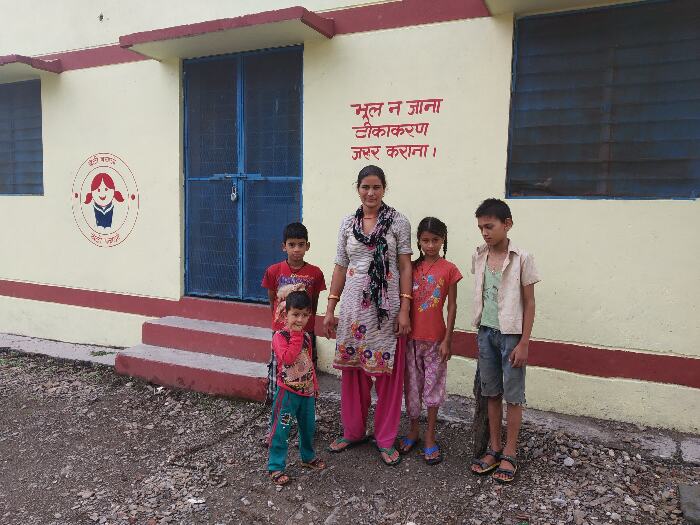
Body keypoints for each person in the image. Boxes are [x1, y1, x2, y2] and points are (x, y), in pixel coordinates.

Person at [323, 165, 413, 466]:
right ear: (357, 188)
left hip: (386, 311)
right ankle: (353, 431)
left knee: (387, 375)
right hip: (352, 310)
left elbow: (404, 268)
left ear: (384, 188)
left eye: (376, 187)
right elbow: (339, 266)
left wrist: (405, 310)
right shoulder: (348, 223)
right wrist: (330, 308)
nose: (371, 193)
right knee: (353, 373)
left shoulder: (398, 222)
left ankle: (386, 439)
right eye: (365, 187)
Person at [469, 199, 540, 483]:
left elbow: (530, 302)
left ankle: (510, 452)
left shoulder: (522, 257)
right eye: (480, 227)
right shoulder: (479, 255)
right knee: (491, 393)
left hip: (511, 335)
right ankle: (494, 448)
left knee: (513, 395)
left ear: (507, 224)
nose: (485, 232)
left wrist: (524, 342)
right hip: (486, 332)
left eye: (490, 226)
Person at [398, 217, 462, 465]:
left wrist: (448, 340)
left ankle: (430, 437)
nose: (430, 245)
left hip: (436, 340)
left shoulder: (450, 269)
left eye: (435, 240)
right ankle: (413, 430)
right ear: (419, 241)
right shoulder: (411, 268)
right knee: (412, 388)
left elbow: (452, 306)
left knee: (433, 390)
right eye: (425, 240)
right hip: (411, 339)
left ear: (443, 240)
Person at [262, 223, 326, 405]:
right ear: (284, 246)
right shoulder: (273, 271)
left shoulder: (315, 273)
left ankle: (305, 405)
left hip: (306, 332)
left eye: (301, 244)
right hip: (281, 331)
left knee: (305, 366)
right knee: (279, 366)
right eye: (292, 244)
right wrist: (279, 323)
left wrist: (307, 323)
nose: (296, 249)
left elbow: (313, 302)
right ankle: (277, 404)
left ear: (308, 246)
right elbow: (272, 299)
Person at [268, 291, 326, 486]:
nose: (299, 319)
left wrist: (315, 385)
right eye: (295, 315)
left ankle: (307, 457)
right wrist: (295, 335)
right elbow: (288, 358)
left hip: (306, 393)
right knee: (281, 429)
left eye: (304, 315)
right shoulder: (280, 337)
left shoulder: (308, 338)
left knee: (308, 427)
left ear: (309, 316)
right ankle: (275, 466)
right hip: (287, 394)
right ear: (286, 315)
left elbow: (308, 362)